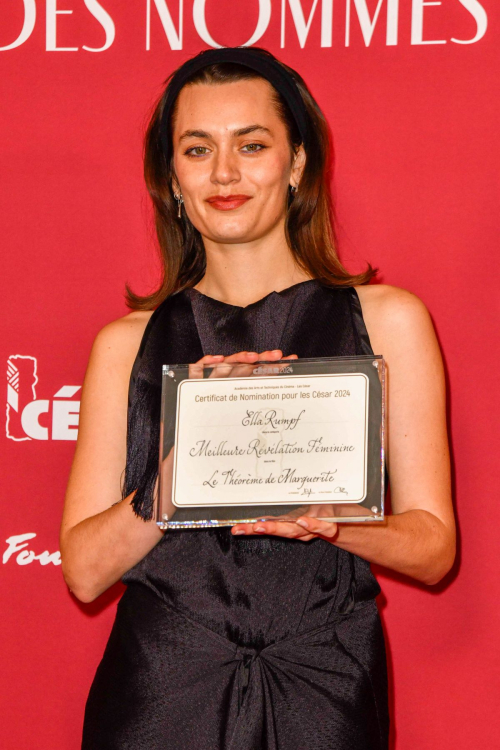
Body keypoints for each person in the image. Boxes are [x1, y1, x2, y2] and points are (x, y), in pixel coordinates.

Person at [60, 46, 456, 750]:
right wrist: (172, 486)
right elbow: (85, 571)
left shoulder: (389, 319)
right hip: (161, 691)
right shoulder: (127, 343)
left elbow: (433, 549)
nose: (223, 173)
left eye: (251, 144)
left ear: (297, 161)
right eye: (196, 148)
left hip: (324, 681)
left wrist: (334, 522)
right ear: (171, 176)